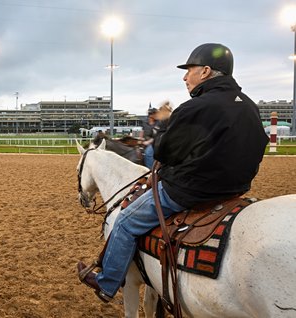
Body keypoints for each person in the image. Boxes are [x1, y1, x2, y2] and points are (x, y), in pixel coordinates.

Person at [77, 43, 269, 302]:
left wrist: (165, 122)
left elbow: (164, 153)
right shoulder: (249, 106)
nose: (184, 77)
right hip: (235, 191)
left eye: (189, 69)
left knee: (124, 222)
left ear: (205, 71)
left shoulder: (195, 107)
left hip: (189, 191)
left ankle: (106, 283)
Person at [142, 102, 173, 169]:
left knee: (148, 153)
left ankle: (150, 170)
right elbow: (143, 131)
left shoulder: (161, 122)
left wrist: (148, 142)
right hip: (150, 140)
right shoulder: (145, 121)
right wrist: (140, 139)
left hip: (157, 142)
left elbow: (156, 136)